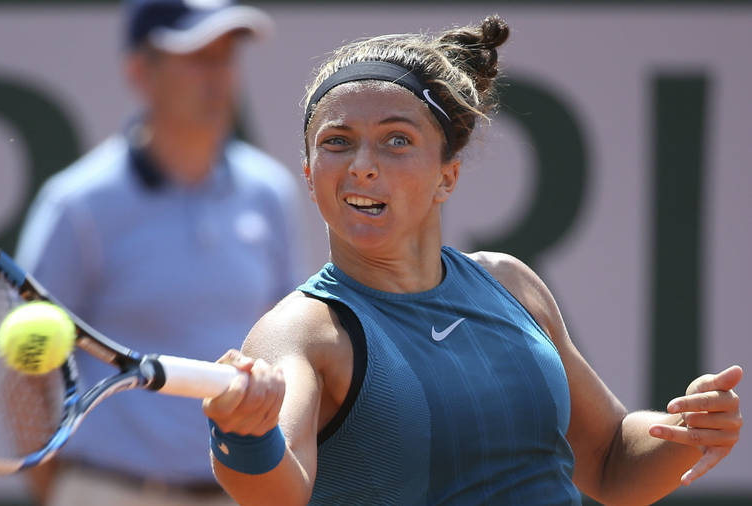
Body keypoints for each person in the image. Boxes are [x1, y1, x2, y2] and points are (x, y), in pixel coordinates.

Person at [202, 15, 744, 505]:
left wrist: (682, 433)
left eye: (396, 140)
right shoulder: (301, 332)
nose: (362, 165)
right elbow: (279, 494)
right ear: (309, 173)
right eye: (338, 142)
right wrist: (246, 435)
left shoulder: (511, 284)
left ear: (446, 176)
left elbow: (610, 462)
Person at [14, 0, 302, 504]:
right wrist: (58, 490)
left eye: (225, 57)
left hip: (236, 491)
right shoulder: (78, 205)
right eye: (196, 58)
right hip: (107, 490)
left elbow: (287, 350)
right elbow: (28, 373)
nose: (215, 77)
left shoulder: (270, 193)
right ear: (140, 72)